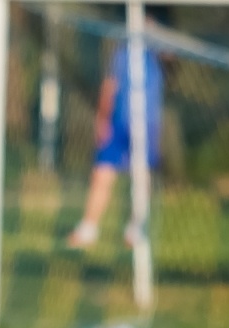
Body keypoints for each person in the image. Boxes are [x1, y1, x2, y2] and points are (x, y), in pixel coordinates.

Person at [66, 28, 165, 250]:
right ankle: (89, 228)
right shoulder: (123, 53)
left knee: (142, 177)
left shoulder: (160, 55)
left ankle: (135, 228)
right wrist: (103, 119)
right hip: (119, 122)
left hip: (146, 125)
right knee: (102, 173)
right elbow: (109, 86)